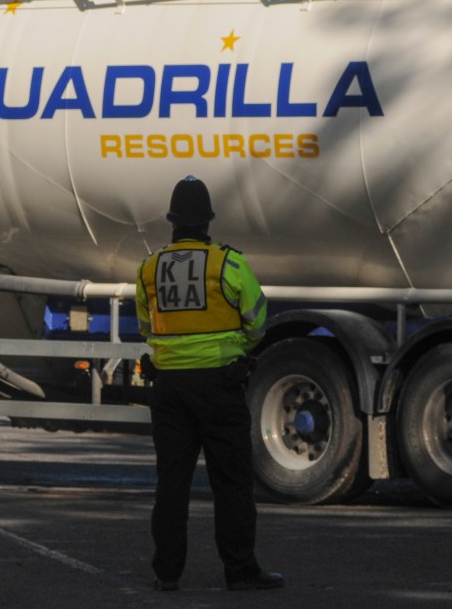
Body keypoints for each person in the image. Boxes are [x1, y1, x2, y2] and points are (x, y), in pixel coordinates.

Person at [135, 176, 282, 592]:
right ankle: (239, 570)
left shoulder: (149, 267)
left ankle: (167, 573)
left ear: (172, 220)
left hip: (169, 389)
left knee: (172, 483)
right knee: (232, 482)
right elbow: (257, 319)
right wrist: (238, 349)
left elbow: (147, 326)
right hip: (219, 386)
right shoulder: (228, 263)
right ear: (208, 221)